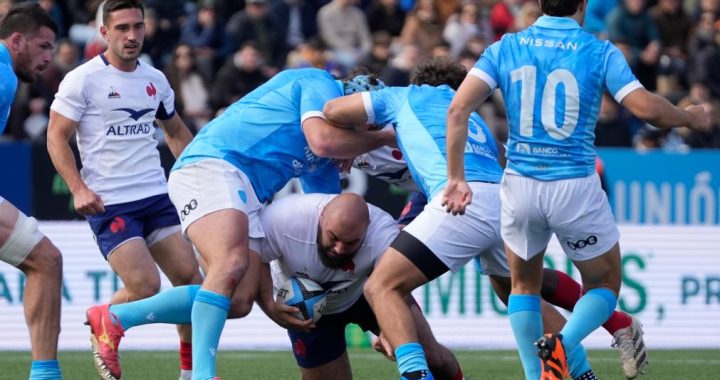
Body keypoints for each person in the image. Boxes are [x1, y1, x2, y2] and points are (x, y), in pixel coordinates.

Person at [444, 1, 711, 379]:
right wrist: (689, 117)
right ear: (583, 5)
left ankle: (537, 375)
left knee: (522, 286)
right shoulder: (598, 50)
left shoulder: (506, 47)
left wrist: (456, 178)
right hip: (574, 185)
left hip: (520, 184)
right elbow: (646, 110)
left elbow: (457, 110)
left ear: (539, 4)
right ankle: (564, 346)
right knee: (604, 284)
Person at [82, 66, 394, 380]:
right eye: (363, 127)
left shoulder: (324, 159)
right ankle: (203, 375)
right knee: (229, 263)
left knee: (238, 301)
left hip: (247, 192)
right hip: (214, 164)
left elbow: (323, 222)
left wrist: (380, 322)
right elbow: (324, 140)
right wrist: (385, 136)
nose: (361, 137)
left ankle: (116, 317)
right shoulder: (321, 83)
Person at [324, 57, 595, 380]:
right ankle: (582, 372)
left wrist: (359, 133)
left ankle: (415, 375)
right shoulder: (471, 113)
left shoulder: (401, 96)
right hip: (507, 201)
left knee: (382, 286)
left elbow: (331, 111)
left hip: (465, 201)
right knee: (518, 293)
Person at [46, 1, 203, 380]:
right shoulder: (82, 79)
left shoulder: (155, 79)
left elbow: (177, 131)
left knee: (192, 283)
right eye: (121, 28)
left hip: (156, 195)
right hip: (111, 202)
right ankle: (108, 320)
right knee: (145, 285)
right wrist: (77, 188)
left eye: (137, 26)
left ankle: (190, 373)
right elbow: (56, 136)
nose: (131, 36)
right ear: (103, 32)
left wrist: (200, 172)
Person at [255, 192, 464, 380]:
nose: (339, 248)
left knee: (432, 357)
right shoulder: (284, 218)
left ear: (367, 229)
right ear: (321, 217)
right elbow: (255, 254)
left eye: (351, 243)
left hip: (368, 293)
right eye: (333, 237)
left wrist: (388, 330)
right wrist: (269, 306)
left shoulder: (383, 233)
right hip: (310, 314)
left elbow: (394, 287)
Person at [0, 4, 63, 379]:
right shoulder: (3, 76)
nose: (47, 58)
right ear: (17, 40)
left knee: (45, 260)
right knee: (46, 261)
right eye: (43, 47)